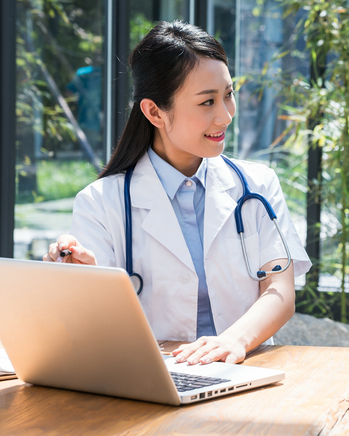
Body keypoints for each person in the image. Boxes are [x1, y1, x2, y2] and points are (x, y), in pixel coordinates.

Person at [43, 21, 310, 366]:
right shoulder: (101, 203)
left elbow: (280, 292)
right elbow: (91, 325)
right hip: (152, 377)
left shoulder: (256, 185)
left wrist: (233, 341)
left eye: (228, 95)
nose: (225, 116)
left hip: (245, 371)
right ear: (154, 111)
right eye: (207, 102)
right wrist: (86, 276)